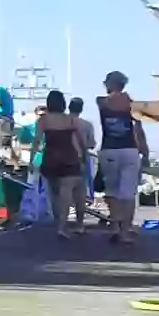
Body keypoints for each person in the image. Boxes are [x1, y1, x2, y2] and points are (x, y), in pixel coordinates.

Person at [97, 70, 149, 244]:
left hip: (109, 150)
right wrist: (145, 152)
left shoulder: (102, 102)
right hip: (130, 150)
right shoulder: (133, 105)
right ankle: (126, 230)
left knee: (111, 190)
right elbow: (139, 131)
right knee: (128, 193)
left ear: (109, 84)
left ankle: (115, 225)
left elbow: (109, 102)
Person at [33, 91, 87, 237]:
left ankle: (59, 223)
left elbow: (37, 141)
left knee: (54, 194)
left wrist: (32, 160)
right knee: (69, 193)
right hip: (69, 158)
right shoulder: (70, 120)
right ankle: (68, 226)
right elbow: (82, 142)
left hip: (51, 158)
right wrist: (84, 158)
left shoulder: (43, 121)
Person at [68, 96, 98, 228]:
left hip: (62, 159)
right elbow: (91, 144)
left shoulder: (61, 123)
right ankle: (79, 224)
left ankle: (61, 225)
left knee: (62, 193)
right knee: (80, 194)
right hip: (81, 159)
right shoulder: (86, 125)